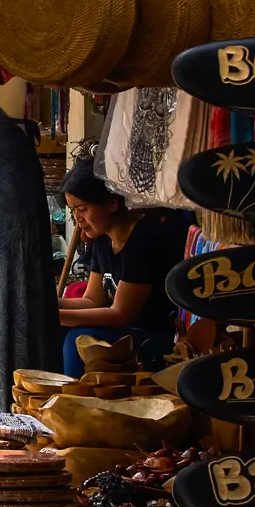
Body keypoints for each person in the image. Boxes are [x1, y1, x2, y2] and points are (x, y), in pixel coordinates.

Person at [57, 161, 191, 376]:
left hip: (155, 338)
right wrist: (45, 305)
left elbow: (121, 314)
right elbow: (93, 300)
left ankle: (74, 403)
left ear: (112, 203)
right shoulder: (102, 240)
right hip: (125, 333)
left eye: (83, 209)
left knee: (76, 339)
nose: (77, 219)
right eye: (73, 211)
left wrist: (56, 315)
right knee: (53, 329)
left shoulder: (144, 240)